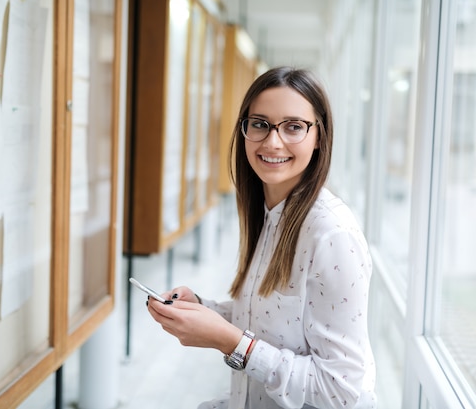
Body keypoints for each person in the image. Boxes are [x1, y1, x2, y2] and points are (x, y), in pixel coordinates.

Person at [147, 66, 377, 409]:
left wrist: (230, 342)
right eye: (259, 124)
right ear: (244, 130)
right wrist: (202, 309)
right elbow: (273, 321)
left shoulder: (332, 236)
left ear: (319, 138)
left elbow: (340, 391)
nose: (272, 141)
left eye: (294, 127)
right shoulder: (268, 212)